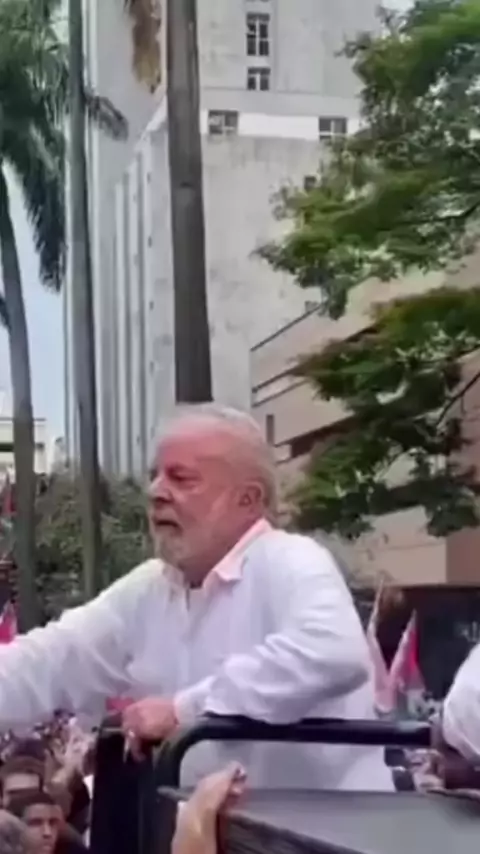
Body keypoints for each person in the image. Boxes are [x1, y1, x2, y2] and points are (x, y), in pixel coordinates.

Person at [0, 405, 392, 790]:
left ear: (247, 499)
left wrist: (184, 710)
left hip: (321, 828)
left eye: (181, 478)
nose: (155, 492)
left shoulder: (289, 559)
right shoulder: (148, 588)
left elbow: (332, 652)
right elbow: (50, 659)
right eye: (154, 476)